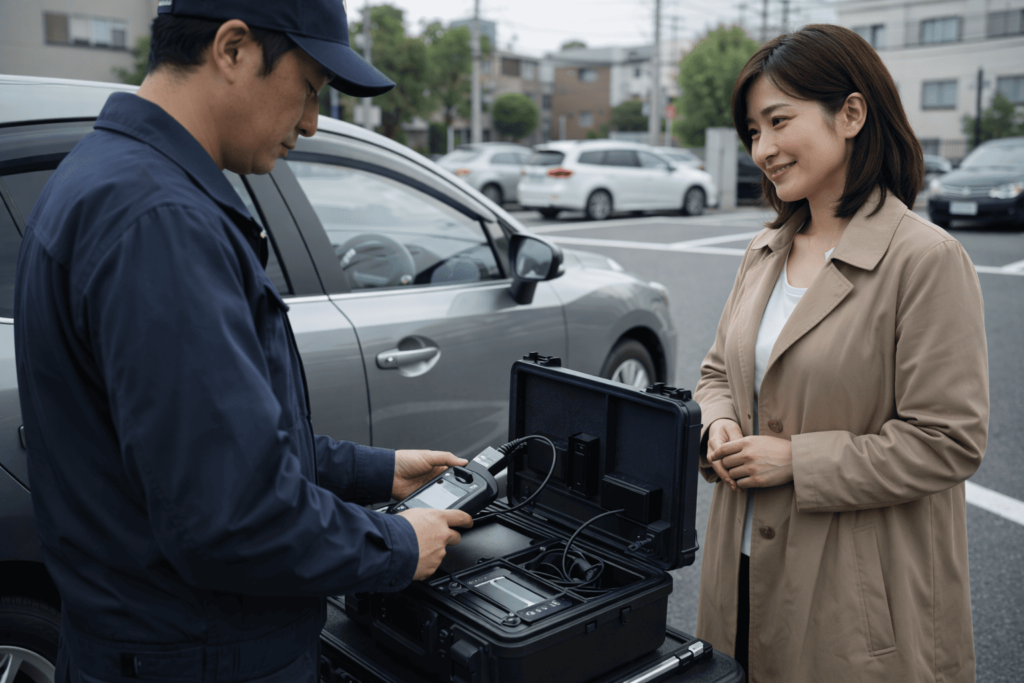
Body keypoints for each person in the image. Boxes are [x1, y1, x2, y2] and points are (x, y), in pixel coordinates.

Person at [13, 2, 473, 681]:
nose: (312, 122)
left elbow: (207, 453)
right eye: (310, 87)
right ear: (232, 49)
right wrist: (396, 543)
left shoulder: (103, 176)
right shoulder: (160, 220)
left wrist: (377, 470)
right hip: (198, 653)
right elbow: (231, 516)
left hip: (140, 640)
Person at [693, 24, 988, 683]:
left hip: (854, 594)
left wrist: (795, 459)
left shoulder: (925, 259)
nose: (762, 148)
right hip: (737, 568)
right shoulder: (764, 248)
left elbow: (948, 440)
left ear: (851, 113)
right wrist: (718, 421)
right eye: (751, 132)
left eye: (778, 121)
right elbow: (718, 371)